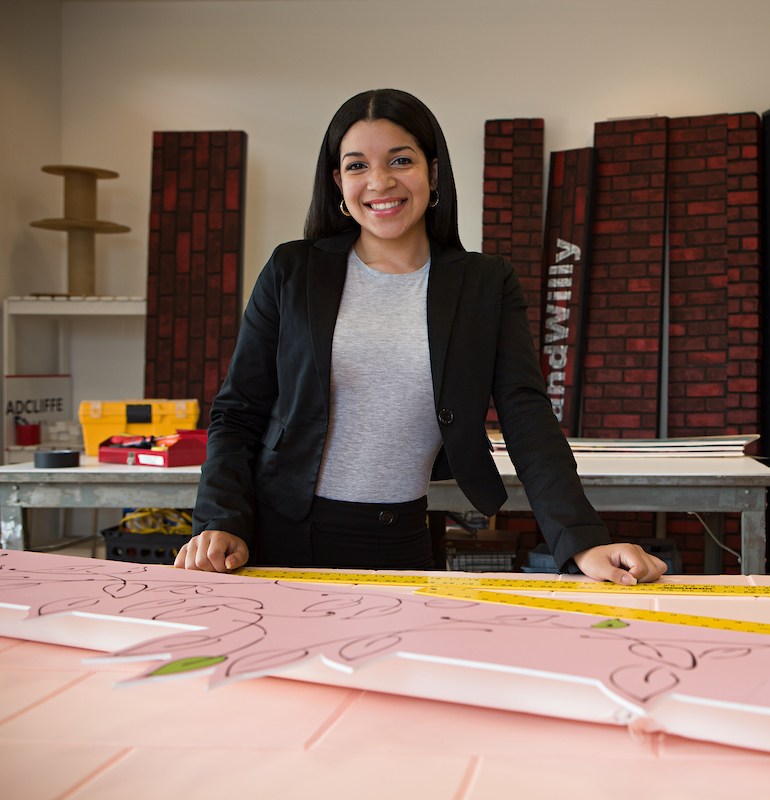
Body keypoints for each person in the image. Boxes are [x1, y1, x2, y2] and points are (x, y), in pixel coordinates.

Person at [176, 89, 667, 585]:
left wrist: (582, 540)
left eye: (400, 160)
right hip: (277, 539)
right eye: (356, 166)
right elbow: (237, 413)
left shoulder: (485, 283)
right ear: (337, 184)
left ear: (433, 172)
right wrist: (221, 522)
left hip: (401, 538)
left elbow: (526, 415)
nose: (379, 181)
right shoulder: (293, 270)